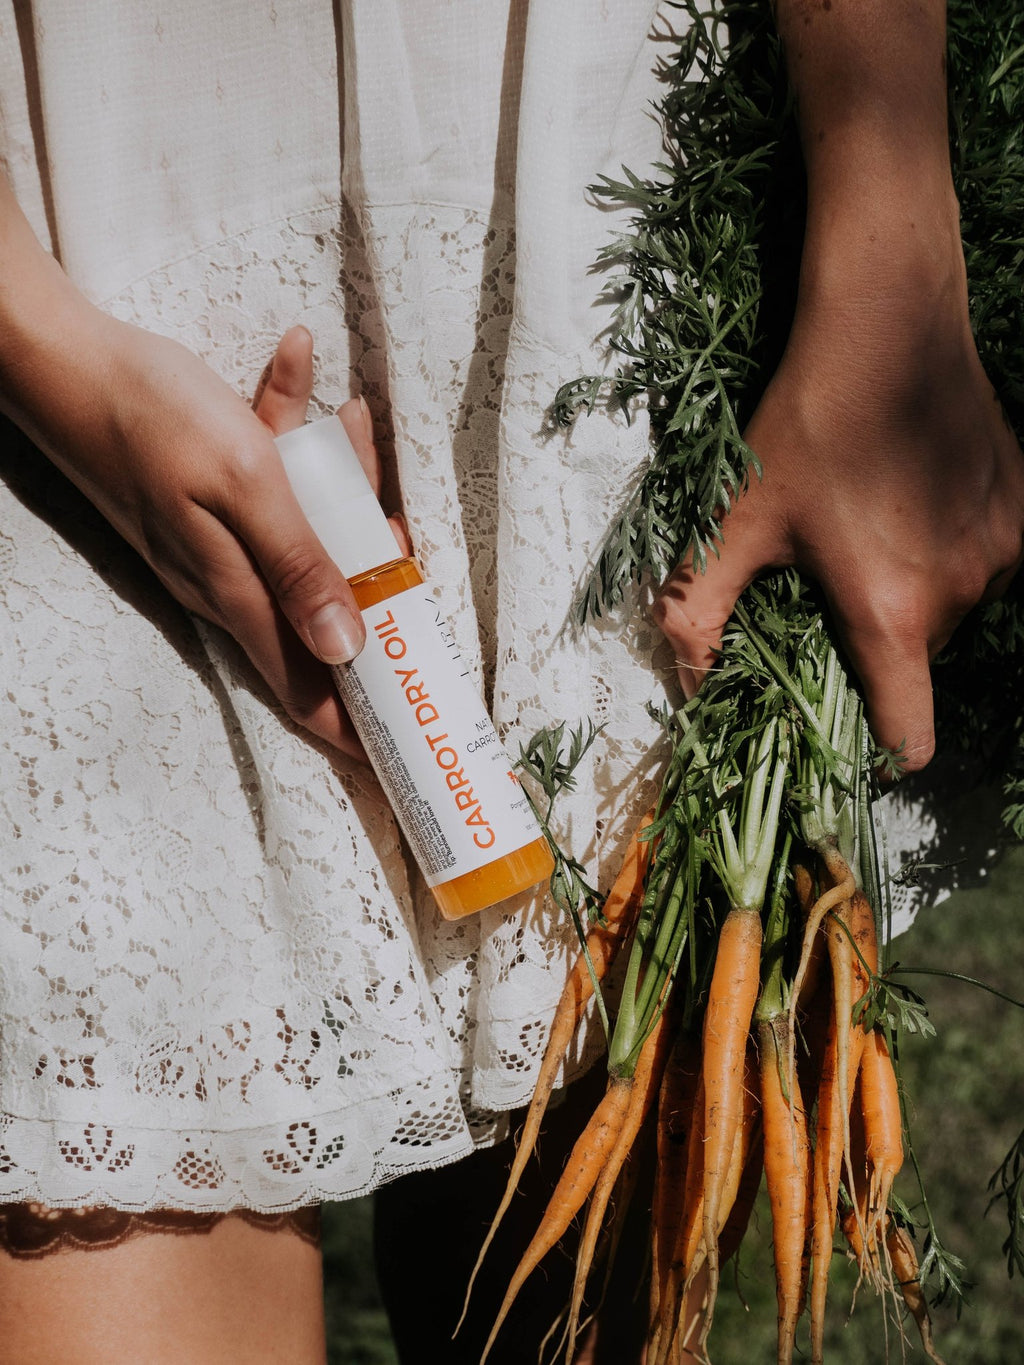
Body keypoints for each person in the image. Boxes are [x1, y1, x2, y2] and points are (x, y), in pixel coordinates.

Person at [0, 5, 1020, 1365]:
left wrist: (891, 230)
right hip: (85, 227)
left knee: (568, 1209)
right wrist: (43, 346)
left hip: (578, 225)